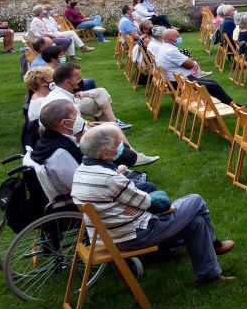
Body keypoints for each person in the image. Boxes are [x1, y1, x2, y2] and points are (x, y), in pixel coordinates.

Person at [72, 123, 235, 286]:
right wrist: (156, 205)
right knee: (196, 200)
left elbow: (131, 200)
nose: (122, 146)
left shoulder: (81, 171)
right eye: (118, 144)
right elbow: (147, 201)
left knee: (196, 222)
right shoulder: (111, 179)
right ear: (107, 153)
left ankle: (208, 276)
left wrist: (133, 204)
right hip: (133, 235)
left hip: (107, 235)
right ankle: (214, 244)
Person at [151, 27, 235, 105]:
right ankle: (233, 105)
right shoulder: (170, 51)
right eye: (177, 36)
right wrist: (192, 63)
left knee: (213, 83)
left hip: (176, 80)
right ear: (170, 39)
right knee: (214, 86)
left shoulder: (164, 47)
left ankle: (227, 103)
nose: (180, 37)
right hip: (180, 82)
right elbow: (190, 64)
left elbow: (187, 63)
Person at [51, 61, 130, 130]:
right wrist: (90, 124)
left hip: (76, 98)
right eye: (78, 79)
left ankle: (113, 124)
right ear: (67, 83)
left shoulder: (63, 92)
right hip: (76, 136)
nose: (81, 80)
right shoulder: (63, 101)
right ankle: (114, 124)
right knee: (99, 101)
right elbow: (77, 125)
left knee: (101, 92)